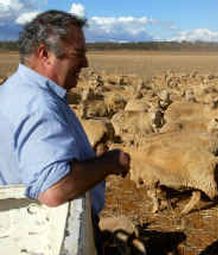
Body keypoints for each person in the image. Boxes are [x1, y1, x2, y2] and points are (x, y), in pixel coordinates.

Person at [0, 10, 130, 252]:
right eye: (78, 55)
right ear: (45, 54)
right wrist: (108, 162)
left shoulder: (13, 89)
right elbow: (53, 188)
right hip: (44, 234)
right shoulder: (37, 104)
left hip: (19, 230)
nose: (86, 63)